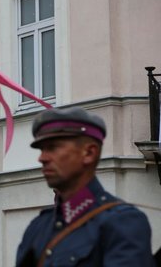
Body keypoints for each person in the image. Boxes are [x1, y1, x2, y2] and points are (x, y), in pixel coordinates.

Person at [16, 107, 155, 266]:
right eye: (42, 149)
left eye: (53, 147)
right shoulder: (38, 228)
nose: (42, 158)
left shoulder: (122, 222)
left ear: (89, 153)